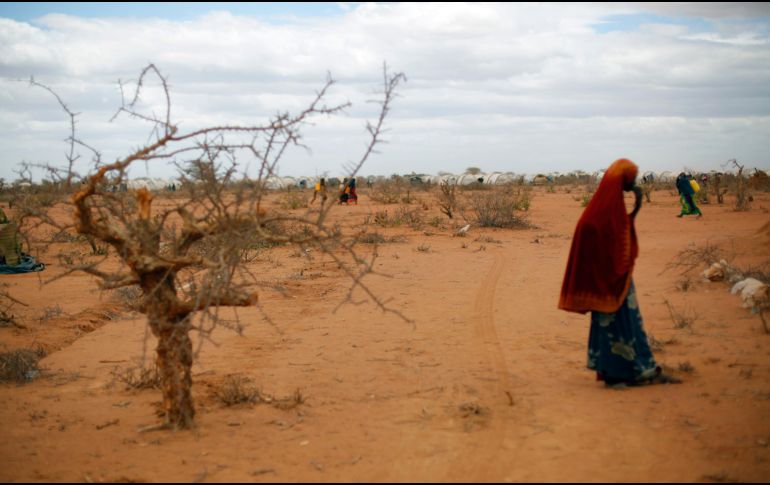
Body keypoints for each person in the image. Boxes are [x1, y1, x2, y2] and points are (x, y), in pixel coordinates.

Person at [559, 158, 680, 388]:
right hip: (610, 281)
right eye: (631, 179)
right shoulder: (601, 215)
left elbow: (620, 236)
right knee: (624, 323)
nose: (633, 182)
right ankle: (634, 371)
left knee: (618, 324)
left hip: (612, 279)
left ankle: (620, 373)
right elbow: (609, 244)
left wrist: (636, 205)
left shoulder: (605, 211)